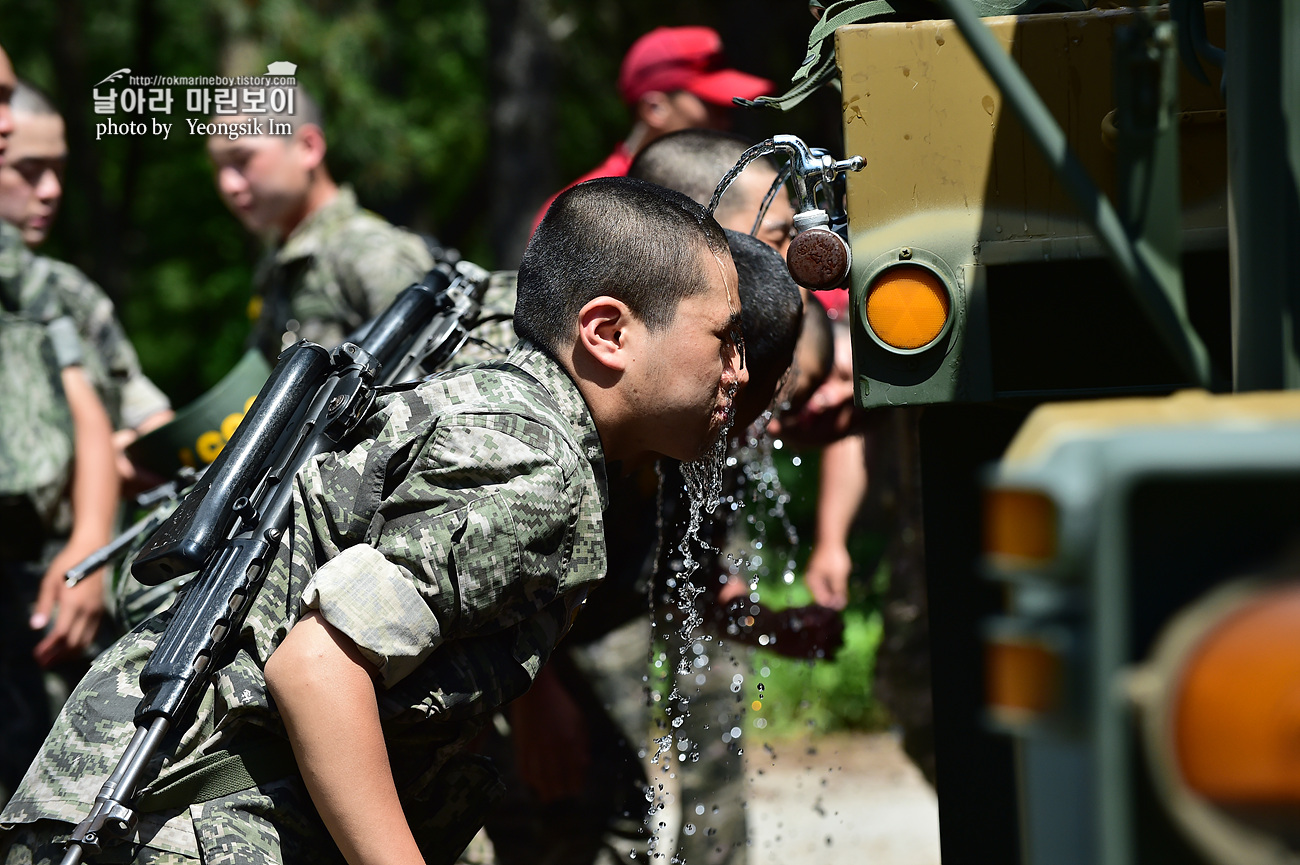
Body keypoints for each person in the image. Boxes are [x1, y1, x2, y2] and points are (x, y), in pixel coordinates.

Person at [0, 176, 747, 865]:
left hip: (136, 804)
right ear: (607, 332)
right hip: (173, 823)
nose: (740, 371)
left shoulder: (501, 406)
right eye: (725, 338)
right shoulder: (531, 460)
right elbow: (317, 668)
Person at [0, 47, 119, 806]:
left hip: (26, 584)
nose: (6, 122)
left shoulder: (35, 282)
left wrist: (89, 544)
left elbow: (97, 410)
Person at [0, 81, 173, 487]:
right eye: (28, 171)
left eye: (59, 170)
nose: (51, 191)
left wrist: (128, 450)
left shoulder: (71, 294)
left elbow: (147, 414)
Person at [205, 87, 435, 363]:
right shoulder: (281, 264)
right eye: (217, 166)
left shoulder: (370, 252)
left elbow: (434, 381)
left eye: (242, 159)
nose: (226, 184)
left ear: (308, 147)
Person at [532, 26, 772, 230]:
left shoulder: (738, 189)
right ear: (654, 109)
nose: (725, 121)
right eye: (710, 104)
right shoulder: (575, 213)